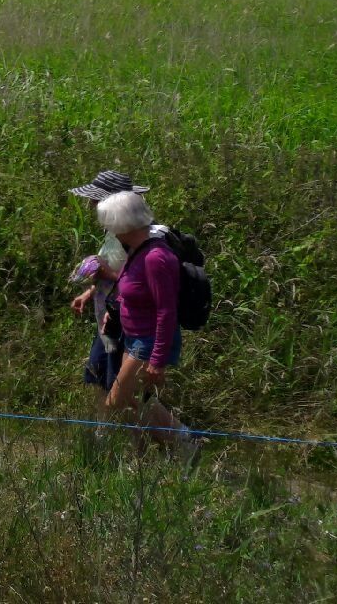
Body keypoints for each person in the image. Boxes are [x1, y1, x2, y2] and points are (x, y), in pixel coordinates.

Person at [96, 190, 198, 460]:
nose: (109, 230)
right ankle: (168, 447)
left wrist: (158, 360)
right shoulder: (136, 251)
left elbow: (166, 311)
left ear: (122, 224)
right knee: (135, 400)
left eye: (110, 224)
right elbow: (131, 290)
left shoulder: (156, 258)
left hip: (148, 341)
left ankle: (183, 444)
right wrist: (114, 313)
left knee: (116, 401)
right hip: (134, 337)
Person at [66, 170, 156, 404]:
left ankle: (165, 427)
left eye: (95, 200)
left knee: (119, 388)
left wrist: (106, 273)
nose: (90, 204)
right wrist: (89, 292)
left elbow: (136, 283)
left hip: (127, 319)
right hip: (109, 315)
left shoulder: (137, 239)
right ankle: (106, 423)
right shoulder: (114, 231)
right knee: (100, 376)